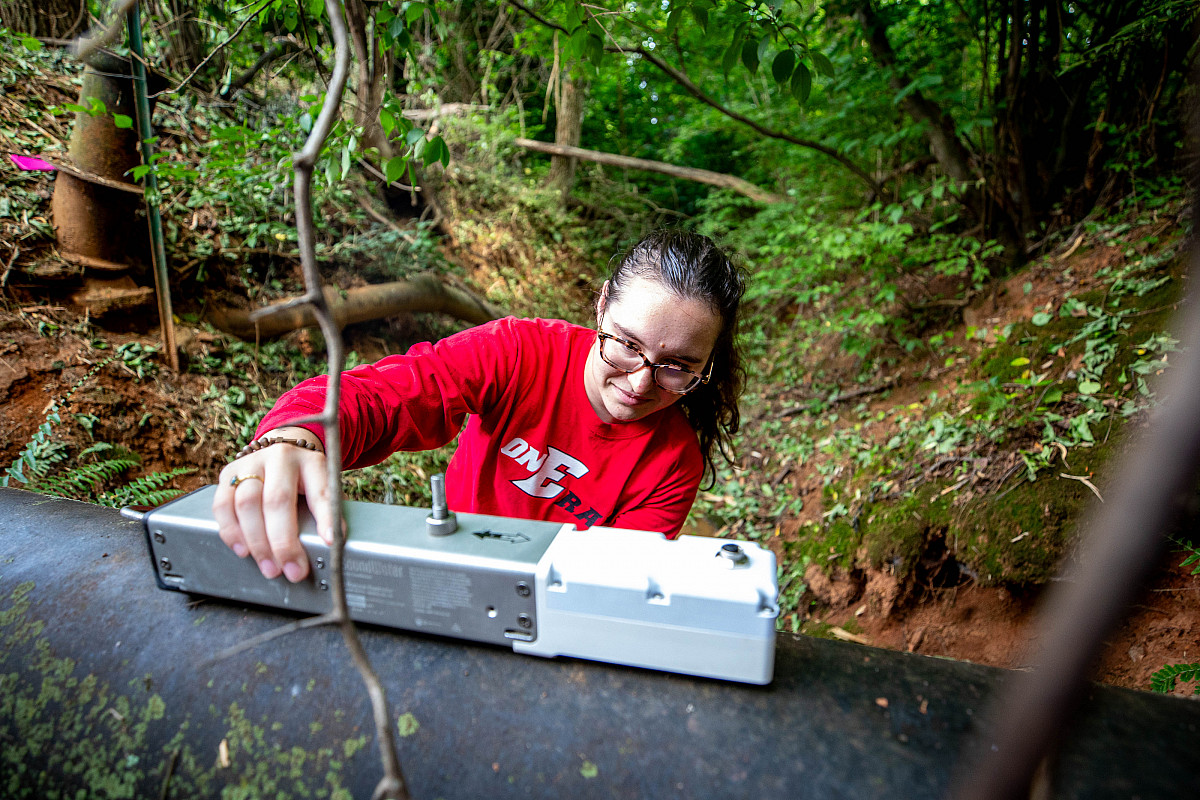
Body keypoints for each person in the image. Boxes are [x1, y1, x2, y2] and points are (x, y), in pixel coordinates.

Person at [213, 230, 746, 583]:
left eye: (678, 366)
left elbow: (610, 582)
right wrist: (296, 434)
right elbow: (396, 392)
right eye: (627, 344)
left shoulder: (673, 465)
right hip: (447, 563)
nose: (639, 382)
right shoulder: (519, 352)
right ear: (602, 304)